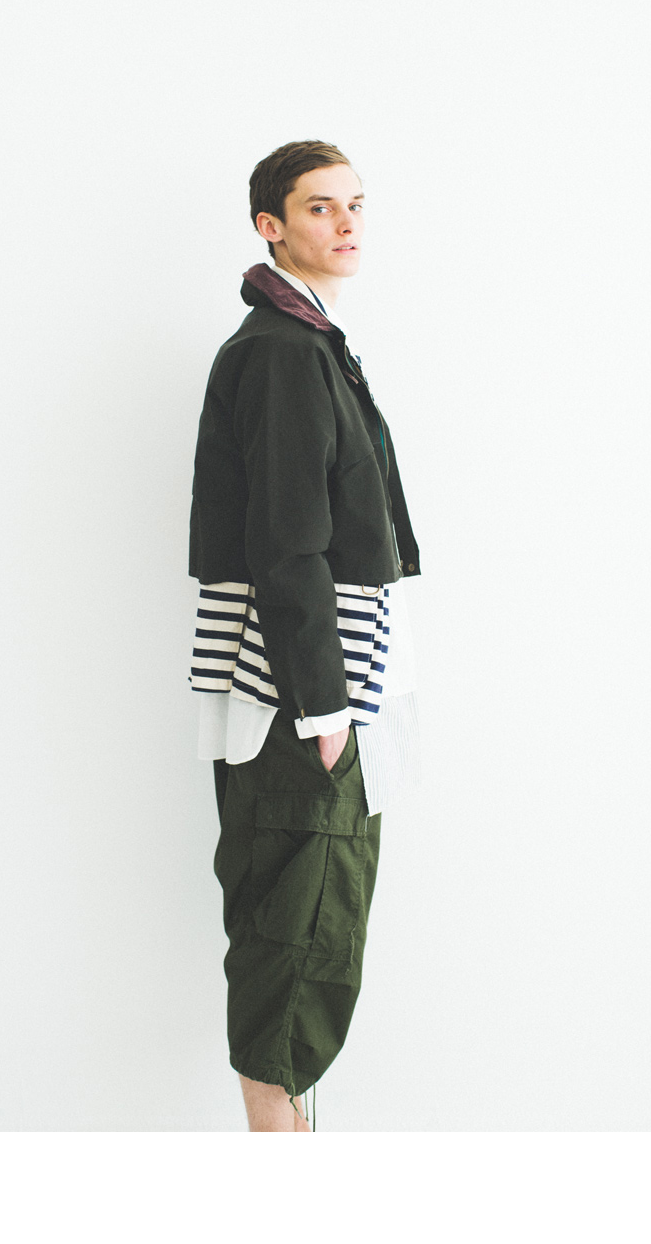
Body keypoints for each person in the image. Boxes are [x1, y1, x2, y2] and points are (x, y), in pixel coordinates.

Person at [188, 139, 423, 1131]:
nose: (347, 222)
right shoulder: (284, 352)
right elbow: (289, 544)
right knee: (295, 955)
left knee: (306, 944)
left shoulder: (309, 340)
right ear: (270, 226)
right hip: (299, 702)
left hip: (315, 695)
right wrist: (324, 711)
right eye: (321, 206)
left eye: (355, 203)